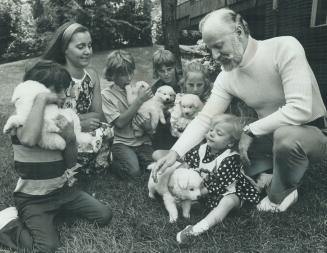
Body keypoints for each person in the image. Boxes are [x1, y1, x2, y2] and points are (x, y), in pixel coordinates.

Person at [154, 8, 327, 212]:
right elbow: (204, 119)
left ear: (239, 31)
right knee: (227, 156)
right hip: (267, 139)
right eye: (211, 49)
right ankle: (273, 173)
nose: (215, 56)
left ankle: (281, 194)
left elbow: (300, 109)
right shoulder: (226, 76)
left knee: (285, 136)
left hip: (311, 133)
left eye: (219, 46)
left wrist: (250, 130)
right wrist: (176, 152)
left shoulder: (285, 47)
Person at [0, 61, 112, 253]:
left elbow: (70, 162)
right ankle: (8, 223)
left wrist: (70, 139)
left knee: (104, 215)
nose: (63, 96)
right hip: (33, 199)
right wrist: (41, 100)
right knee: (46, 247)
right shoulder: (20, 121)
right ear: (37, 90)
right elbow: (28, 139)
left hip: (62, 192)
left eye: (65, 90)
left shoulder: (60, 118)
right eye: (58, 90)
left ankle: (55, 214)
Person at [173, 114, 260, 244]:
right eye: (211, 130)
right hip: (204, 192)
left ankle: (197, 229)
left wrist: (192, 195)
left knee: (227, 202)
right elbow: (187, 166)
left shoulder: (230, 158)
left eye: (219, 133)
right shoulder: (201, 149)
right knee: (179, 198)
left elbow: (218, 186)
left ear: (230, 142)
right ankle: (196, 205)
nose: (212, 134)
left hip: (228, 192)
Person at [43, 22, 113, 176]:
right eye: (80, 47)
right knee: (66, 138)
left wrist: (83, 121)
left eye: (89, 45)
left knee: (107, 130)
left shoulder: (92, 76)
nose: (87, 51)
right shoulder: (56, 76)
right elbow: (52, 117)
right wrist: (79, 122)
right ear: (65, 49)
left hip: (83, 128)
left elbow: (97, 113)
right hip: (63, 132)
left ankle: (91, 166)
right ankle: (69, 168)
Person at [101, 50, 154, 178]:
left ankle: (137, 160)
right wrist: (139, 100)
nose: (129, 78)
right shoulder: (106, 95)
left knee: (155, 166)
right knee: (133, 172)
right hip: (122, 142)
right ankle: (111, 161)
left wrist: (148, 127)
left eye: (131, 72)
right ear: (112, 75)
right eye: (123, 75)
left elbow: (151, 111)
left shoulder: (138, 89)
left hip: (142, 141)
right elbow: (119, 122)